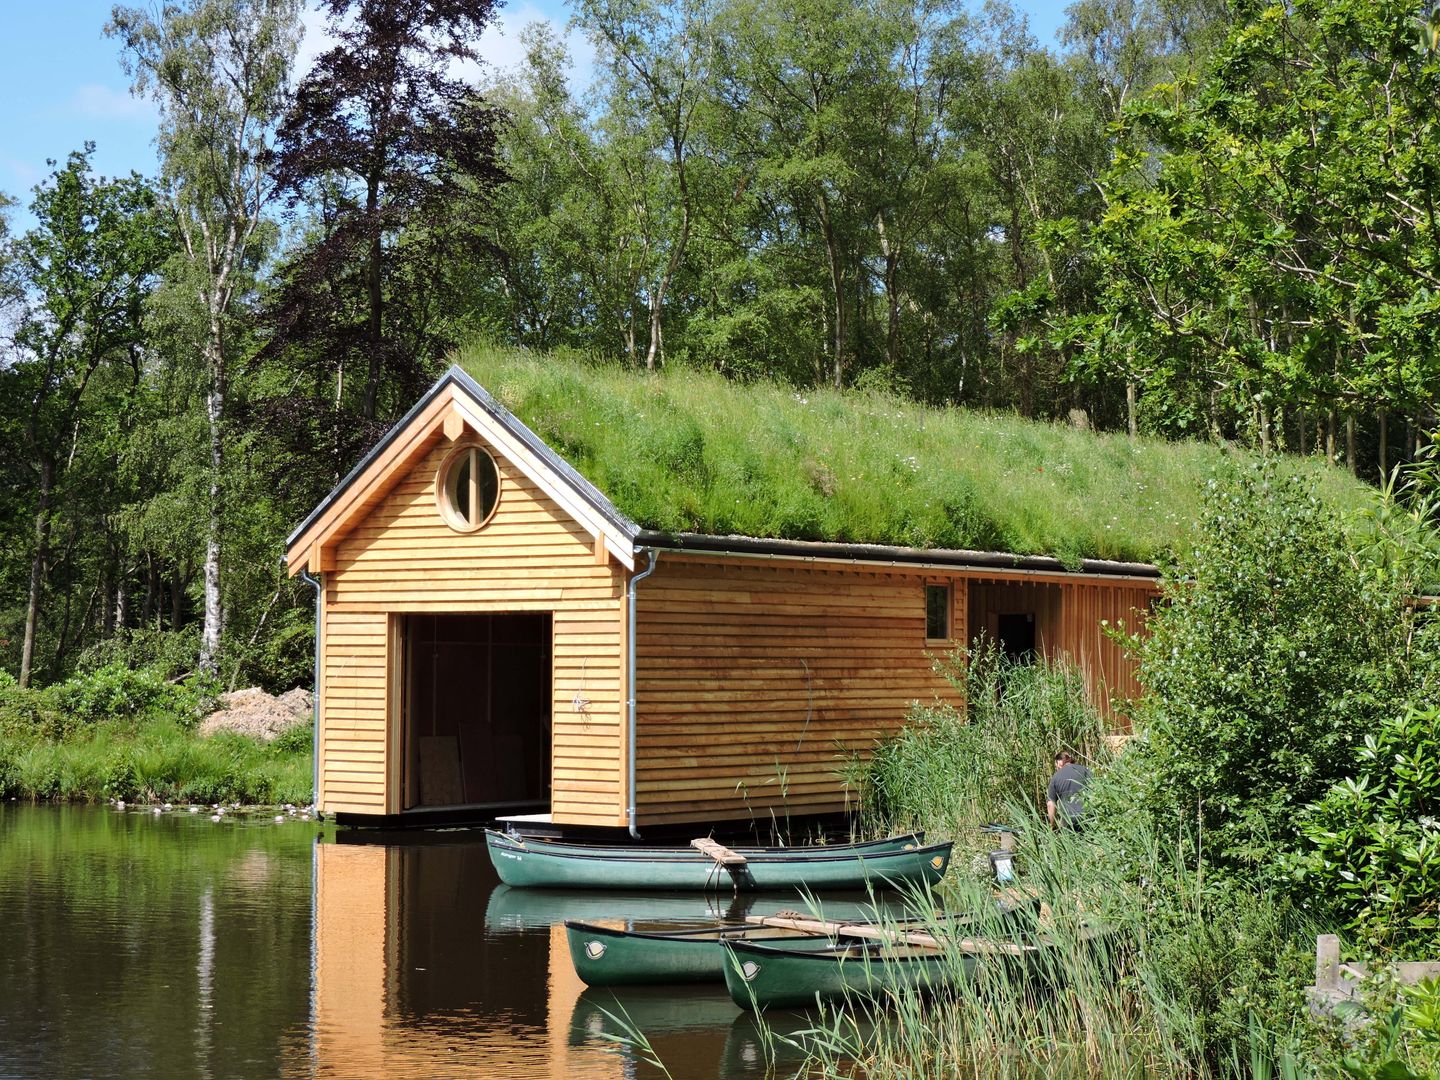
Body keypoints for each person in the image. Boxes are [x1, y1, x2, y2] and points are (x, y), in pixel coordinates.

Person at [1046, 751, 1090, 830]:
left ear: (1058, 763)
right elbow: (1096, 790)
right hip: (1087, 817)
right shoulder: (1085, 770)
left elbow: (1050, 804)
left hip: (1068, 819)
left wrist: (1052, 825)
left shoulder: (1056, 777)